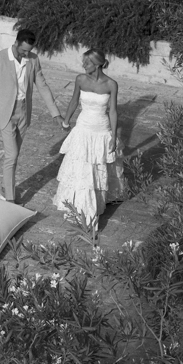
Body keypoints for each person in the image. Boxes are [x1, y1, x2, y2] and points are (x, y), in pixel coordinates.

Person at [0, 21, 65, 204]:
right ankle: (9, 199)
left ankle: (5, 188)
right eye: (24, 50)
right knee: (11, 155)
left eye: (29, 50)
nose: (26, 54)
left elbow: (42, 85)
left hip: (24, 112)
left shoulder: (33, 60)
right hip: (5, 113)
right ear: (16, 43)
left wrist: (55, 114)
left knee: (14, 155)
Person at [53, 47, 122, 229]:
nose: (84, 65)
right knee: (80, 168)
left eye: (88, 63)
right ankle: (78, 208)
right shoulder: (80, 79)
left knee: (97, 168)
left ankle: (96, 204)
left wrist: (114, 137)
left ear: (98, 64)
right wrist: (66, 121)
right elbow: (74, 101)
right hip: (83, 129)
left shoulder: (111, 84)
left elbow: (113, 111)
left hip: (101, 130)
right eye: (84, 62)